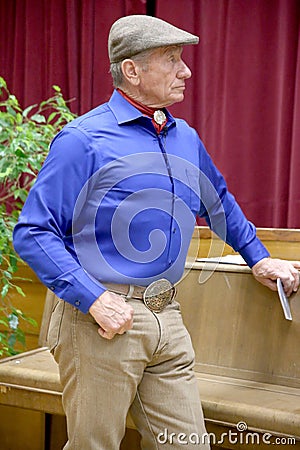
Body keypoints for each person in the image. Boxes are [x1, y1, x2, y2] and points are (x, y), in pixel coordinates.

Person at [13, 15, 299, 450]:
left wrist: (259, 257)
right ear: (132, 70)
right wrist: (95, 299)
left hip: (169, 316)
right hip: (100, 321)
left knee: (186, 445)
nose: (185, 71)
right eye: (172, 59)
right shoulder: (83, 139)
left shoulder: (184, 136)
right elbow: (33, 232)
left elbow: (217, 201)